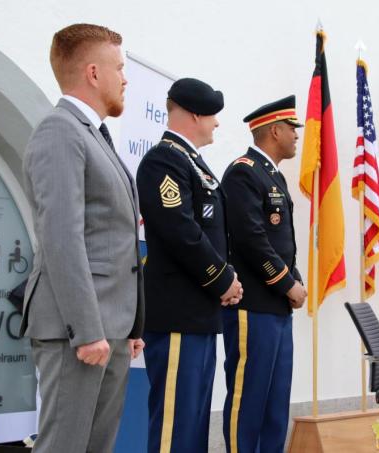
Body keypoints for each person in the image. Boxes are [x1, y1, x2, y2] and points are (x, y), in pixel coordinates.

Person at [19, 23, 145, 453]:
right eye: (119, 68)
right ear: (93, 73)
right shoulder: (60, 130)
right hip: (79, 330)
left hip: (110, 327)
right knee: (64, 446)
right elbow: (62, 237)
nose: (125, 78)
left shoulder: (93, 136)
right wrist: (88, 330)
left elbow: (110, 238)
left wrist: (131, 324)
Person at [137, 77, 243, 453]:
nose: (217, 123)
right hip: (178, 313)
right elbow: (180, 230)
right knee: (175, 427)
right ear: (195, 115)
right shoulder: (164, 160)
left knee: (194, 427)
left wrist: (224, 280)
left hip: (198, 313)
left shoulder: (192, 163)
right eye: (212, 115)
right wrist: (222, 279)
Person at [220, 95, 307, 453]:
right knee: (249, 400)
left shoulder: (273, 174)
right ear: (274, 131)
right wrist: (287, 284)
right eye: (292, 128)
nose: (296, 135)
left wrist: (296, 281)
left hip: (277, 308)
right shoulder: (243, 172)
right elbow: (250, 238)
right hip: (253, 306)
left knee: (275, 404)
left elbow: (282, 243)